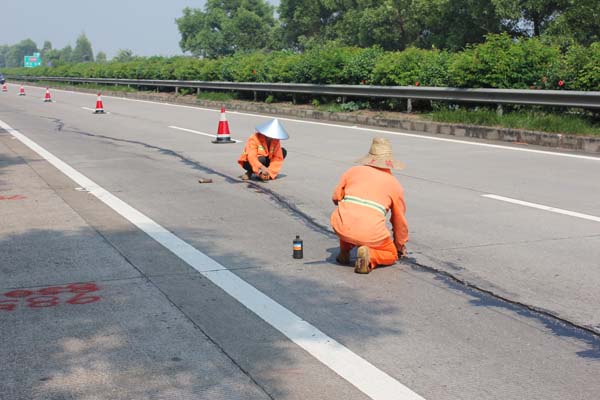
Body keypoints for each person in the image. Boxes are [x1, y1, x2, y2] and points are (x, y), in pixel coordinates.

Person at [330, 137, 408, 274]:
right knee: (391, 254)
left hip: (341, 226)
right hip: (370, 232)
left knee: (349, 216)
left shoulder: (352, 171)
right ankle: (370, 257)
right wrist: (399, 245)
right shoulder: (394, 185)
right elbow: (399, 221)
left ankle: (344, 251)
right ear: (389, 162)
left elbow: (336, 198)